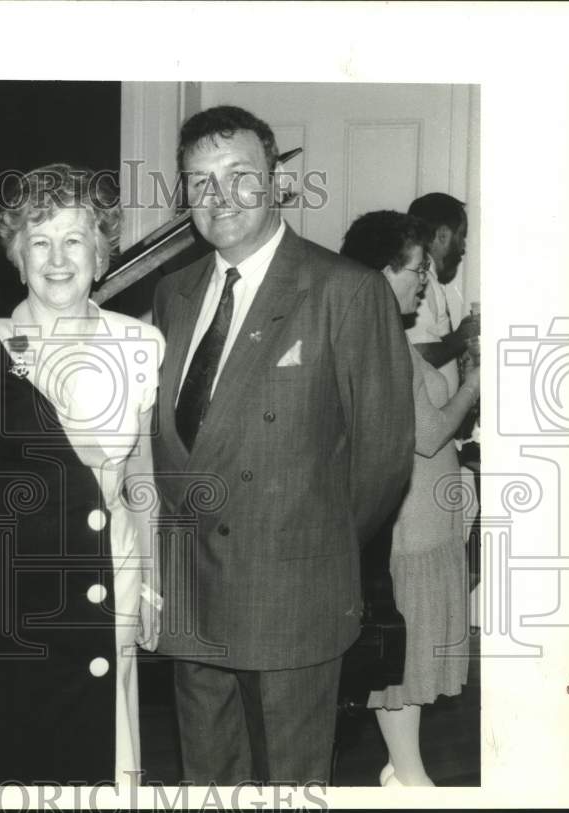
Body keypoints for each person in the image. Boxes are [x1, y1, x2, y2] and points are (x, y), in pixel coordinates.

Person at [152, 105, 415, 785]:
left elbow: (382, 460)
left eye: (240, 175)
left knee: (288, 788)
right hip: (192, 599)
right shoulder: (173, 294)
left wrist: (307, 542)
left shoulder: (344, 291)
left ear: (277, 183)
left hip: (291, 602)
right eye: (200, 181)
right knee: (208, 784)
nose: (220, 196)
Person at [0, 164, 163, 785]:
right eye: (39, 241)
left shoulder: (140, 342)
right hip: (13, 608)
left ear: (102, 254)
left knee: (107, 754)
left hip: (114, 586)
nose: (58, 259)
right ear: (17, 256)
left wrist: (157, 586)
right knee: (19, 758)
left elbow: (142, 478)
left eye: (75, 240)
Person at [341, 210, 478, 787]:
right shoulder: (381, 344)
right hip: (411, 532)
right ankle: (410, 778)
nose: (424, 279)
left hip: (429, 527)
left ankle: (403, 772)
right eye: (416, 269)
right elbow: (425, 437)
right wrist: (476, 382)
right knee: (404, 664)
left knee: (414, 663)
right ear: (383, 272)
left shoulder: (392, 337)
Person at [406, 193, 479, 396]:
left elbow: (435, 344)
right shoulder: (422, 282)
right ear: (443, 235)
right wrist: (464, 336)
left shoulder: (430, 280)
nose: (463, 248)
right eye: (461, 236)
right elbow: (416, 354)